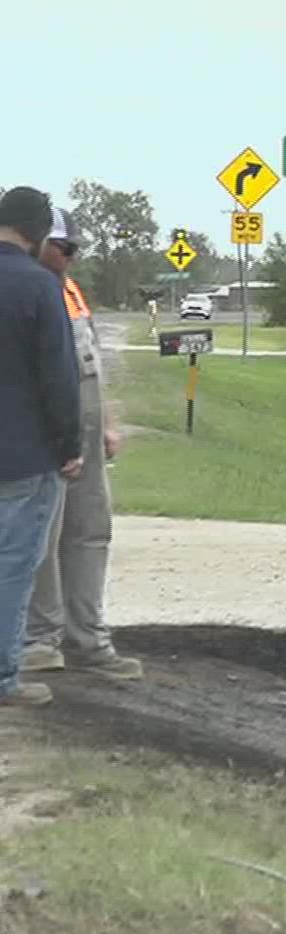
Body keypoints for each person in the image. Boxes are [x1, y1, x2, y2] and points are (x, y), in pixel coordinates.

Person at [21, 208, 142, 680]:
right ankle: (39, 639)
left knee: (91, 530)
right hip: (44, 429)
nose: (69, 256)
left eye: (74, 248)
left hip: (87, 423)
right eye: (61, 247)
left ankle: (88, 637)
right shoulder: (22, 289)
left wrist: (107, 423)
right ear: (34, 242)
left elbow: (91, 368)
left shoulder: (69, 291)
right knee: (41, 537)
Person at [0, 187, 82, 709]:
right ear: (35, 232)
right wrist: (69, 444)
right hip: (25, 454)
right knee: (12, 566)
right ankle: (5, 677)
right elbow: (59, 376)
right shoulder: (37, 285)